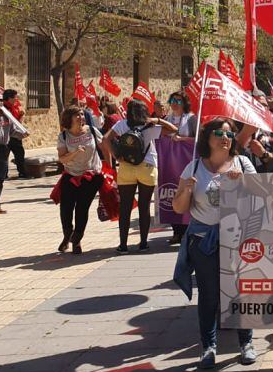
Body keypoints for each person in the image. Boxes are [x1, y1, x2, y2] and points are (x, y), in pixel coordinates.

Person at [171, 118, 257, 369]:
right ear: (207, 138)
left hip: (237, 239)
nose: (225, 137)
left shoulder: (243, 164)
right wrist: (186, 190)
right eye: (219, 132)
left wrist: (244, 183)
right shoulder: (194, 167)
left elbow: (261, 199)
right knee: (209, 296)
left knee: (240, 293)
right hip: (203, 241)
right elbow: (179, 208)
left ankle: (246, 344)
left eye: (229, 134)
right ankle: (208, 347)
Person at [101, 99, 177, 252]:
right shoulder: (150, 126)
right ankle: (143, 243)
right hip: (147, 168)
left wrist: (117, 156)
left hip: (126, 168)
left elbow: (105, 139)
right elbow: (174, 130)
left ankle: (123, 245)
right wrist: (158, 119)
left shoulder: (122, 125)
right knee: (144, 206)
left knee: (125, 207)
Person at [56, 105, 105, 254]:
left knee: (82, 208)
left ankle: (76, 240)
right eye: (77, 115)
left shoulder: (92, 131)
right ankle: (67, 235)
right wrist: (75, 152)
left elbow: (105, 147)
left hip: (91, 176)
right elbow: (62, 159)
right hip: (71, 176)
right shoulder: (64, 136)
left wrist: (108, 168)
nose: (81, 118)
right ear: (69, 119)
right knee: (66, 209)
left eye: (82, 115)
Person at [165, 90, 197, 245]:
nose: (174, 104)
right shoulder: (167, 119)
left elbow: (199, 139)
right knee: (171, 193)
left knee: (187, 193)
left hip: (186, 161)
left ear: (184, 103)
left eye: (178, 101)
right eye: (172, 100)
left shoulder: (191, 119)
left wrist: (181, 139)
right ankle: (176, 231)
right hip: (170, 163)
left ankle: (187, 230)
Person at [0, 90, 27, 179]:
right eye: (15, 97)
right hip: (5, 135)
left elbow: (17, 123)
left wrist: (21, 116)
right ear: (9, 98)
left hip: (15, 135)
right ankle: (4, 174)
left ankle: (22, 173)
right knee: (4, 155)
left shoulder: (15, 107)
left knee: (19, 153)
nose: (16, 99)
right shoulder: (1, 108)